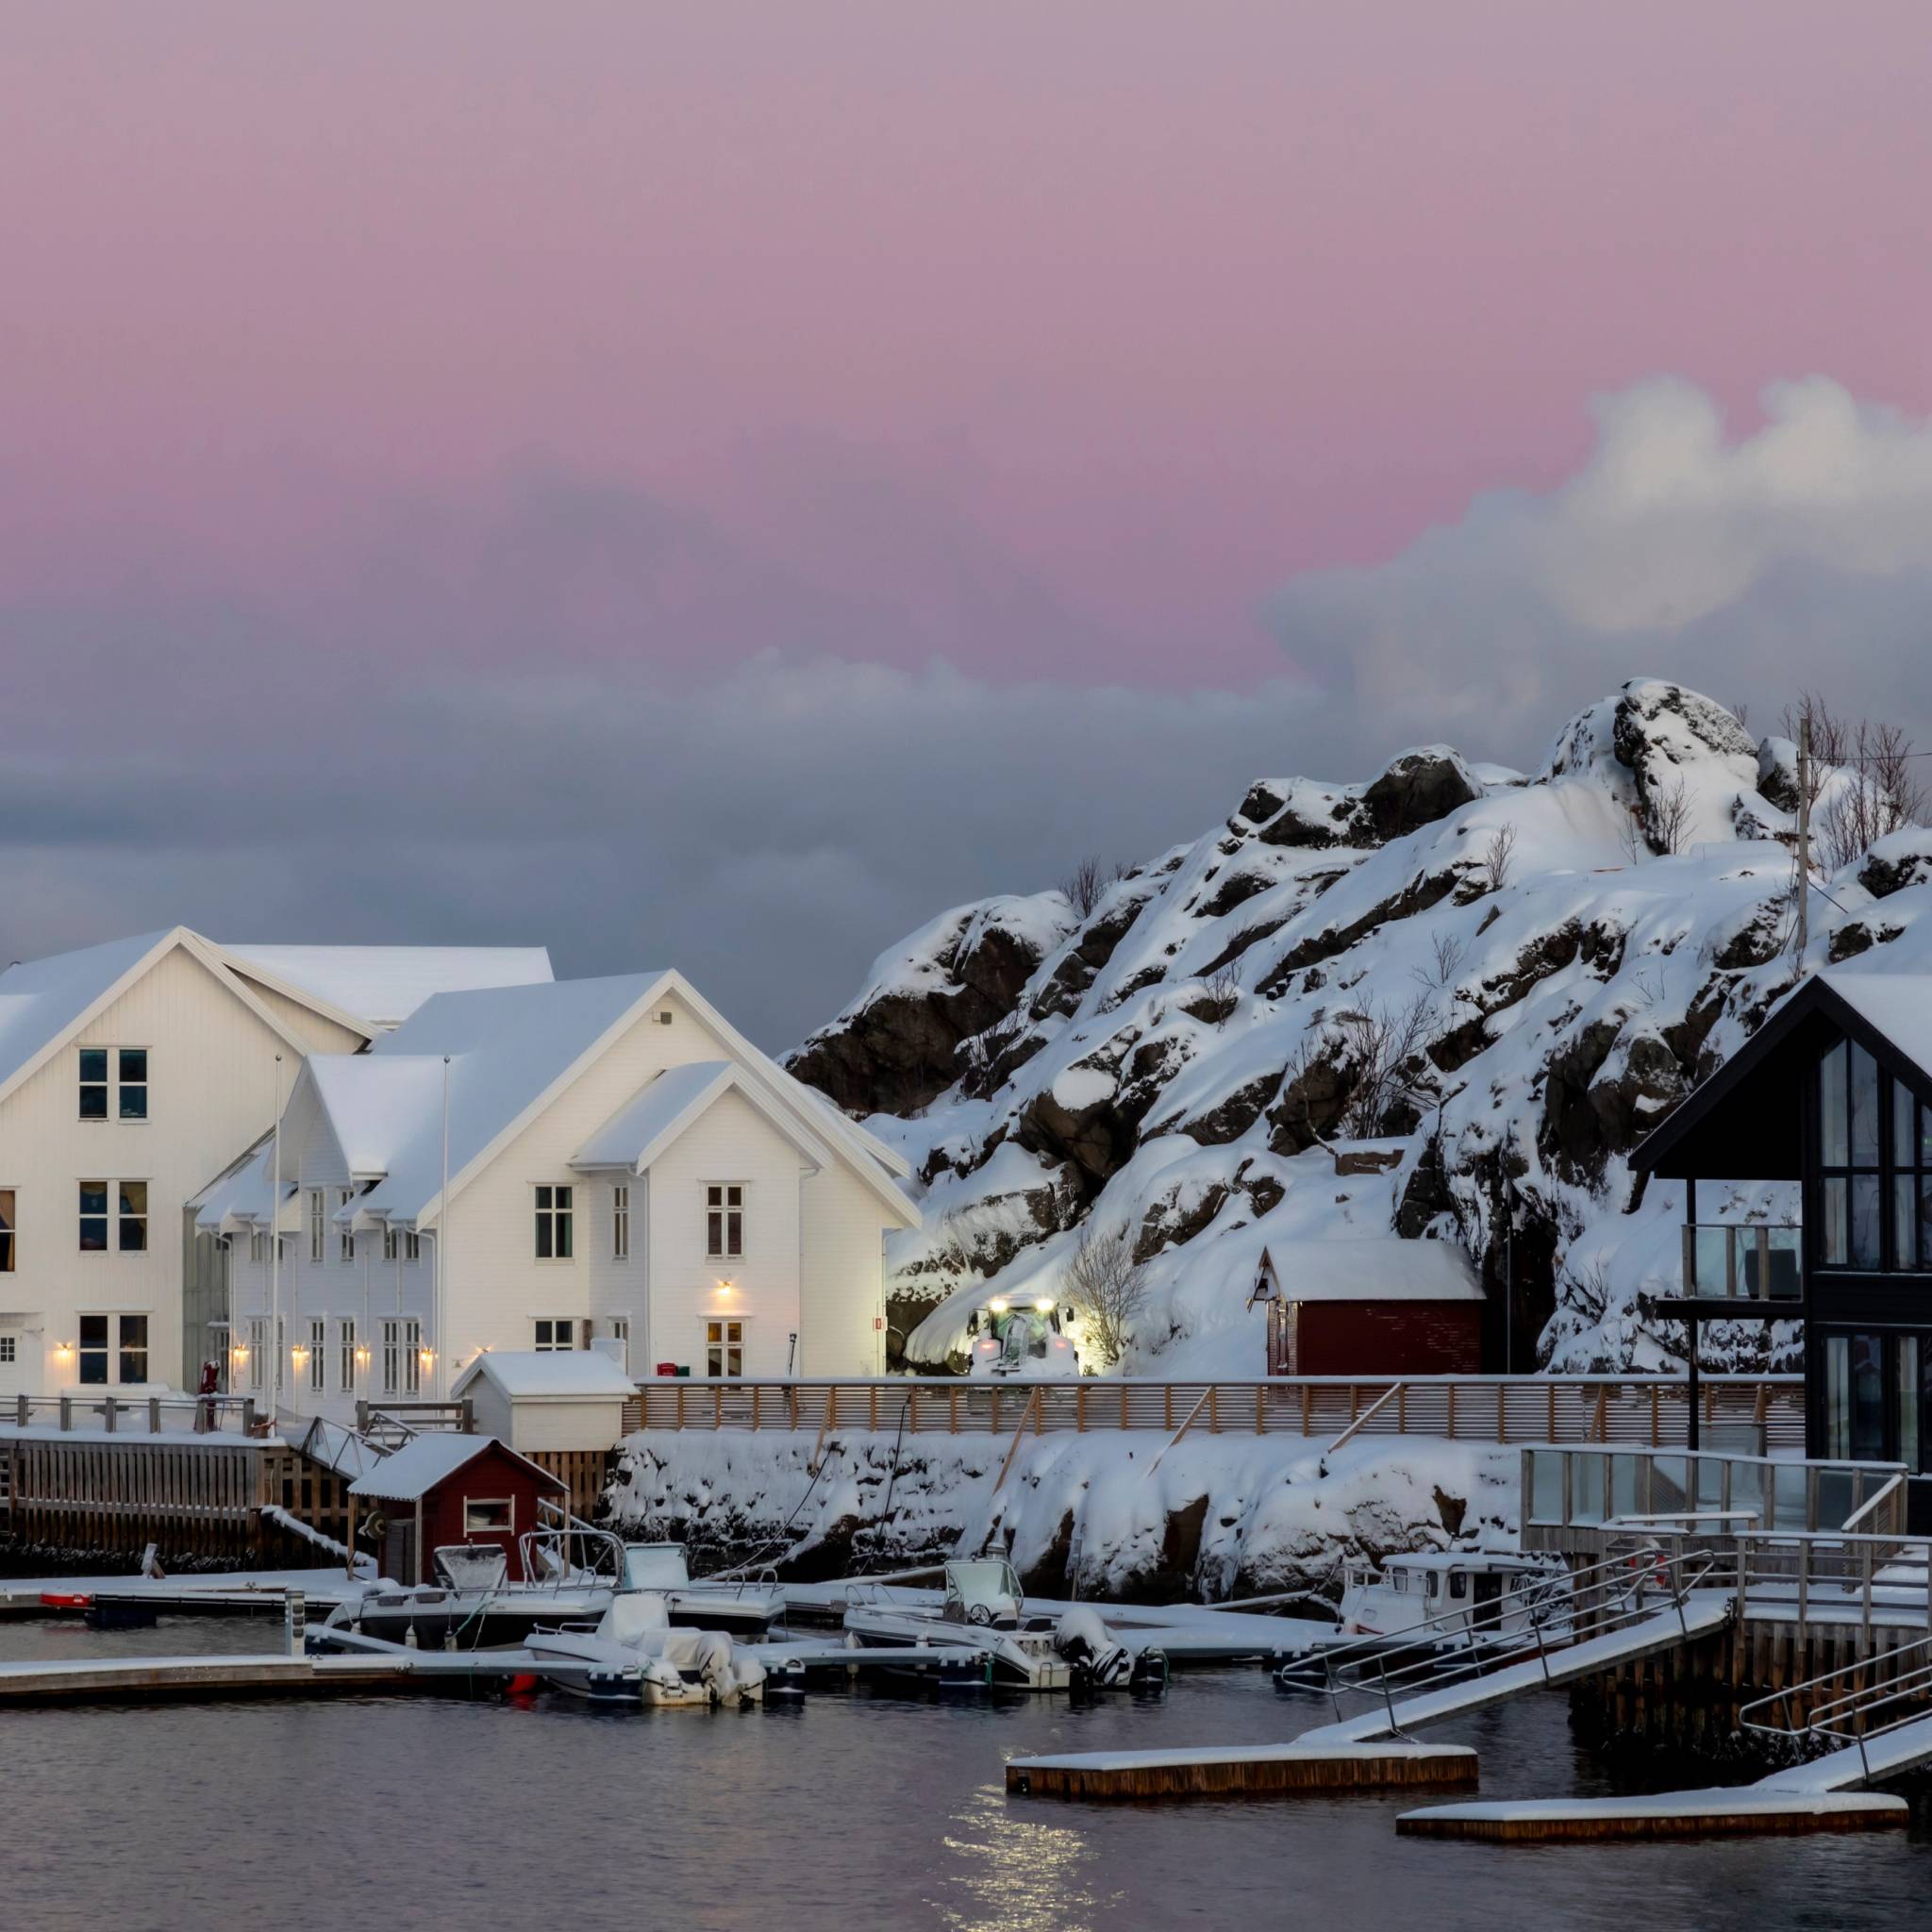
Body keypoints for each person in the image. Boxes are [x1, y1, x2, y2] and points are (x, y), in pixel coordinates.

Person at [196, 1358, 220, 1433]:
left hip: (207, 1393)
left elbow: (208, 1381)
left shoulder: (207, 1369)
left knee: (209, 1410)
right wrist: (211, 1389)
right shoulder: (210, 1369)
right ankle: (209, 1426)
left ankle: (208, 1425)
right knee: (209, 1410)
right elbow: (209, 1381)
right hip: (207, 1394)